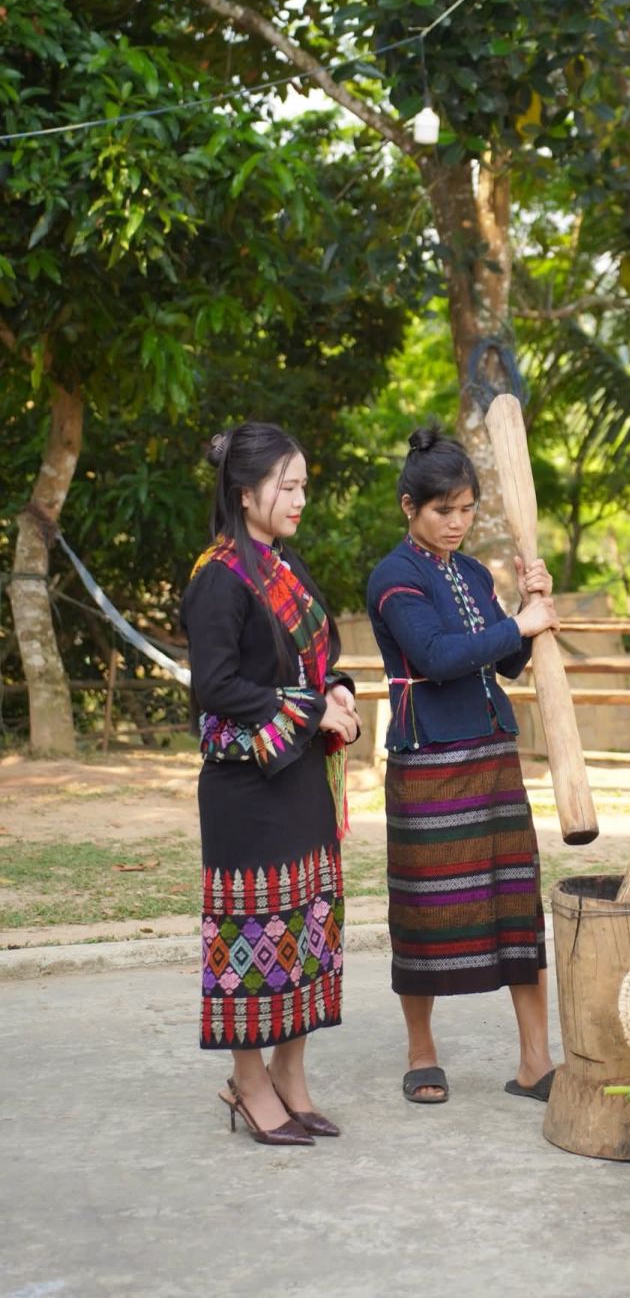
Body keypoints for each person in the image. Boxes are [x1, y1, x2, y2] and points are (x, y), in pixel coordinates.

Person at [366, 424, 560, 1105]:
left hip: (493, 754)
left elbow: (504, 659)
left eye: (467, 508)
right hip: (428, 763)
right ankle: (423, 1052)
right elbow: (439, 655)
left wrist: (531, 608)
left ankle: (536, 1059)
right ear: (408, 507)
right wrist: (522, 624)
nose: (456, 523)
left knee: (516, 905)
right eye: (442, 510)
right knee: (424, 910)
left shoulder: (474, 574)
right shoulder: (393, 576)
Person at [180, 422, 360, 1145]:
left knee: (307, 928)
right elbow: (216, 684)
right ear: (245, 489)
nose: (300, 498)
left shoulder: (285, 568)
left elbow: (323, 658)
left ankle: (292, 1076)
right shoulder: (218, 576)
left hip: (301, 778)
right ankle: (248, 1081)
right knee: (253, 934)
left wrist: (338, 690)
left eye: (304, 485)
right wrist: (318, 708)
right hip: (245, 790)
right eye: (288, 485)